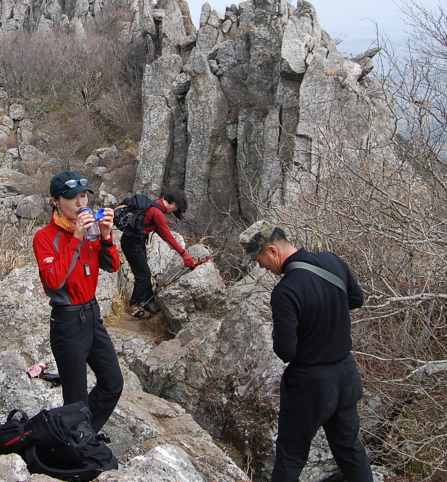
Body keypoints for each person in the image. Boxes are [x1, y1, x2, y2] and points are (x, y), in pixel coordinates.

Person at [239, 220, 373, 482]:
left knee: (292, 454)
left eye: (258, 259)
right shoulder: (331, 261)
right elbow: (356, 299)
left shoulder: (286, 291)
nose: (261, 266)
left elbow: (286, 351)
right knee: (349, 448)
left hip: (310, 383)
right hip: (346, 374)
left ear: (272, 251)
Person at [33, 170, 123, 434]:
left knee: (112, 383)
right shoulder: (45, 237)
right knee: (76, 398)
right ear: (55, 201)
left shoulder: (90, 230)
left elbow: (112, 266)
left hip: (92, 314)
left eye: (83, 196)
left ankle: (83, 435)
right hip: (68, 320)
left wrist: (106, 236)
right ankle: (78, 444)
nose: (81, 203)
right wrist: (76, 239)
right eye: (73, 198)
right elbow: (53, 281)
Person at [122, 189, 207, 319]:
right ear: (173, 203)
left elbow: (160, 231)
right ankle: (135, 304)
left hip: (135, 241)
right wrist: (184, 254)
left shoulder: (156, 205)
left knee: (145, 272)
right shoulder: (158, 213)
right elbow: (168, 234)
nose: (174, 211)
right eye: (176, 208)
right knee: (143, 274)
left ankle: (148, 302)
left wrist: (171, 246)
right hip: (132, 243)